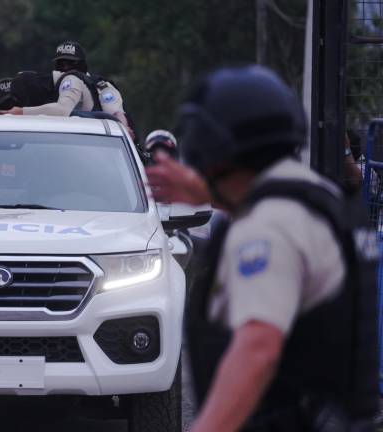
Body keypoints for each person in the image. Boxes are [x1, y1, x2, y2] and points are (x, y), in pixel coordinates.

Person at [148, 66, 379, 431]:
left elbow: (258, 349)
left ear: (215, 148)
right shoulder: (319, 197)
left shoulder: (267, 227)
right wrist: (208, 192)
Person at [0, 41, 133, 134]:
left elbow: (116, 113)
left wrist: (21, 112)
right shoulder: (95, 83)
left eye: (70, 63)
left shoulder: (73, 80)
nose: (66, 67)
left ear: (82, 64)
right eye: (61, 63)